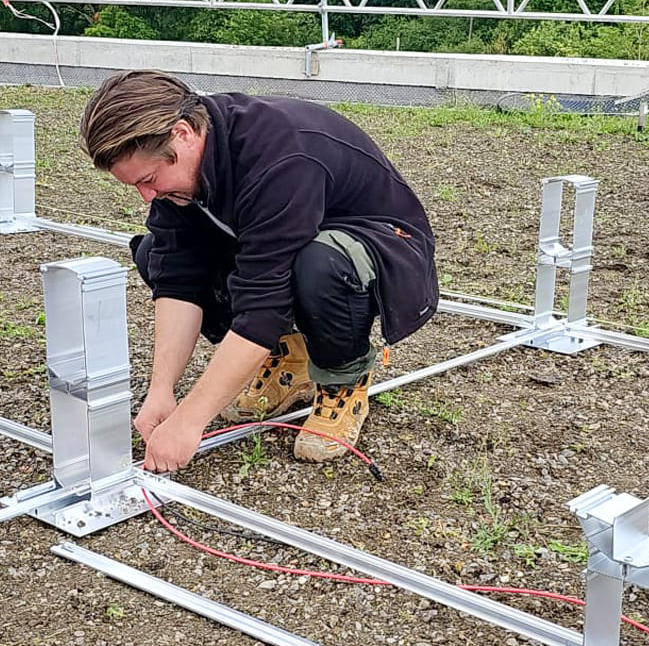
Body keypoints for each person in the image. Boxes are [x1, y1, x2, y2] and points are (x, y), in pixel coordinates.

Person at [78, 70, 440, 473]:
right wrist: (162, 391)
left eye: (148, 179)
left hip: (383, 248)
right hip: (295, 244)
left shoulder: (281, 155)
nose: (148, 195)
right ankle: (291, 357)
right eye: (136, 186)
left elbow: (261, 307)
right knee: (155, 254)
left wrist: (189, 423)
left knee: (319, 264)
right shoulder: (183, 171)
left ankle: (343, 380)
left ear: (182, 133)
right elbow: (178, 279)